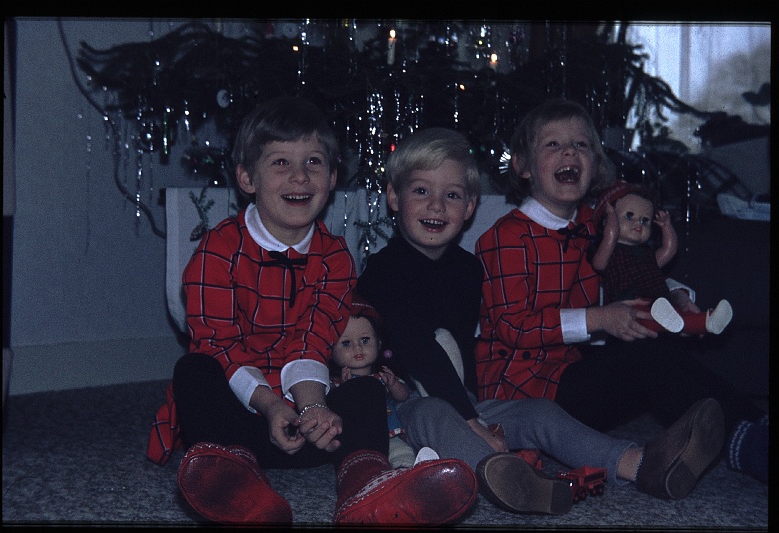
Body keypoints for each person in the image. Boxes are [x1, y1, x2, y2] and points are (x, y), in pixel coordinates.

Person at [356, 126, 727, 515]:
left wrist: (480, 412)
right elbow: (421, 352)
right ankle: (504, 476)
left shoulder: (467, 270)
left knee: (540, 411)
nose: (436, 206)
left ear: (469, 208)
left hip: (465, 401)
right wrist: (472, 422)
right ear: (394, 197)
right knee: (434, 412)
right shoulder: (384, 273)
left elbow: (469, 348)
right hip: (401, 407)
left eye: (451, 195)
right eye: (421, 191)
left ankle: (639, 464)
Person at [145, 96, 479, 526]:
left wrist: (310, 409)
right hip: (242, 416)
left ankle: (364, 484)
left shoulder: (336, 257)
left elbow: (316, 338)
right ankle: (238, 481)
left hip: (314, 423)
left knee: (364, 387)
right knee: (194, 370)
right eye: (281, 163)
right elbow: (219, 344)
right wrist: (270, 405)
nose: (300, 176)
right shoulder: (217, 250)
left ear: (333, 176)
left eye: (314, 163)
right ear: (247, 177)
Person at [474, 98, 768, 486]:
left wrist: (674, 297)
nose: (569, 152)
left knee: (650, 344)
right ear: (524, 166)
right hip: (521, 390)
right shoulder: (504, 237)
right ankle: (748, 443)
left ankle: (753, 427)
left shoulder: (594, 227)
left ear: (594, 165)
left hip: (572, 377)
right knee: (641, 357)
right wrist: (602, 318)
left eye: (581, 145)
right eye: (553, 145)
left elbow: (632, 268)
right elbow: (514, 327)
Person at [591, 179, 733, 336]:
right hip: (628, 305)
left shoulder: (647, 256)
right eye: (629, 216)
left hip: (660, 301)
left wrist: (666, 227)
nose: (639, 223)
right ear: (606, 221)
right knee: (652, 319)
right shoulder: (610, 253)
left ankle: (707, 321)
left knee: (679, 318)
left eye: (645, 220)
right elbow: (599, 264)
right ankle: (700, 322)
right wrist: (611, 220)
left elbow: (669, 249)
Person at [329, 294, 419, 469]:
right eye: (346, 343)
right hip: (355, 439)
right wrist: (345, 390)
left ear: (378, 343)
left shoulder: (381, 376)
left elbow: (403, 396)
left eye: (365, 340)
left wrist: (393, 385)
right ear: (331, 352)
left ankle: (404, 472)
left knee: (402, 452)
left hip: (387, 433)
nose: (358, 348)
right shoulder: (336, 382)